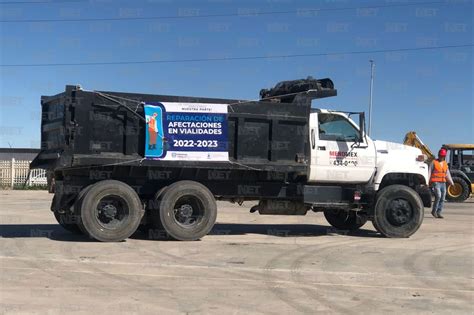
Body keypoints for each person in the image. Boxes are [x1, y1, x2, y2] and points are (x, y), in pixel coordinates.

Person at [428, 148, 454, 218]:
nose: (441, 157)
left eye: (443, 156)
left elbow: (447, 174)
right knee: (438, 196)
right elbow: (429, 172)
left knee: (443, 198)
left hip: (443, 183)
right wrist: (427, 182)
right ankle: (434, 211)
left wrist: (451, 182)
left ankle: (438, 212)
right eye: (440, 156)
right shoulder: (433, 162)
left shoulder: (445, 164)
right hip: (436, 182)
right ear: (438, 155)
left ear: (444, 156)